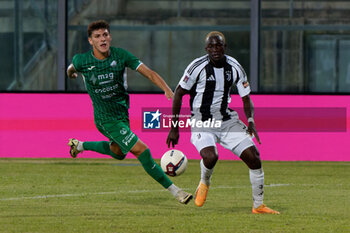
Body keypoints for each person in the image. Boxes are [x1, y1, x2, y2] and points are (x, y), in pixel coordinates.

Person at [66, 20, 192, 204]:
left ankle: (80, 146)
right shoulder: (82, 60)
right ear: (90, 41)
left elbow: (148, 72)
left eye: (105, 35)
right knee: (142, 150)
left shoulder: (121, 55)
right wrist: (72, 74)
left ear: (110, 37)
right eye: (97, 36)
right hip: (105, 118)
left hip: (122, 115)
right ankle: (177, 192)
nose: (102, 39)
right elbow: (72, 67)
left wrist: (166, 89)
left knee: (118, 152)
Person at [166, 31, 279, 214]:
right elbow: (179, 93)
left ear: (224, 47)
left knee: (254, 157)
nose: (215, 49)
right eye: (211, 46)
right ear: (206, 49)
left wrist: (250, 120)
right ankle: (205, 181)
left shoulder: (234, 67)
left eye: (218, 45)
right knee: (211, 156)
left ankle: (258, 205)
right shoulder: (197, 67)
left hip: (227, 121)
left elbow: (246, 97)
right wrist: (174, 127)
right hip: (201, 121)